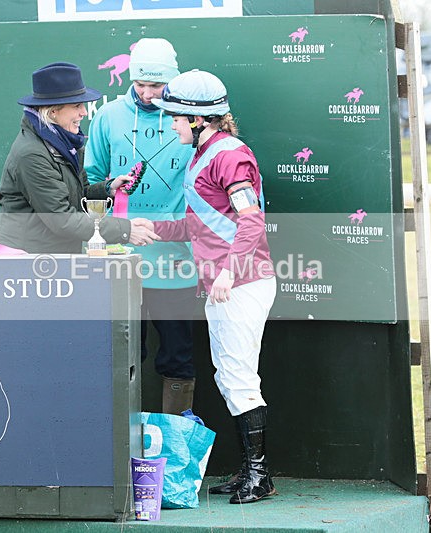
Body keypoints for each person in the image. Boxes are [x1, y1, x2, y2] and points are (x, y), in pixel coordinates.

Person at [137, 69, 277, 504]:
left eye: (177, 117)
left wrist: (230, 272)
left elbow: (250, 221)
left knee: (238, 379)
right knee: (231, 377)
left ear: (199, 119)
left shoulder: (230, 155)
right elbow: (199, 225)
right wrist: (151, 228)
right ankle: (252, 472)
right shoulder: (205, 154)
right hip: (223, 285)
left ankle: (260, 476)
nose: (171, 124)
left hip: (240, 284)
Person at [85, 39, 198, 414]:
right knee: (122, 357)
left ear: (174, 80)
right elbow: (90, 183)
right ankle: (121, 453)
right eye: (140, 85)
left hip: (176, 263)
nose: (148, 94)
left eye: (157, 85)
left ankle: (175, 453)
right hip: (121, 260)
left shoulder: (191, 119)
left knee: (178, 359)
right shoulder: (108, 117)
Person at [0, 62, 156, 253]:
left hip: (53, 258)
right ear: (53, 111)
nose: (84, 112)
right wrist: (125, 230)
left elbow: (78, 195)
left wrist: (108, 189)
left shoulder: (65, 142)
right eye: (76, 106)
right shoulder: (32, 154)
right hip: (29, 262)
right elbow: (62, 219)